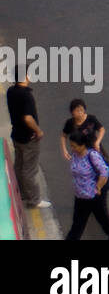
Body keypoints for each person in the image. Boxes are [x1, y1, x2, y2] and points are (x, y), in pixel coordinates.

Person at [6, 73, 50, 209]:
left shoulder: (11, 91)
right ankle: (34, 200)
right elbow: (28, 118)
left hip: (17, 135)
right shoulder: (26, 96)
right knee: (29, 170)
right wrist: (38, 131)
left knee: (19, 165)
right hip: (28, 138)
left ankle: (21, 192)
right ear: (24, 77)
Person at [64, 130, 109, 240]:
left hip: (94, 197)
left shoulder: (92, 155)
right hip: (80, 196)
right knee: (77, 226)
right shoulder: (75, 155)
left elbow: (104, 171)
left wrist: (98, 187)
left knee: (103, 219)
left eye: (74, 146)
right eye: (71, 146)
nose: (72, 149)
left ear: (82, 145)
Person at [60, 99, 109, 191]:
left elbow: (101, 129)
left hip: (94, 149)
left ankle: (100, 187)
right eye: (77, 110)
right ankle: (86, 189)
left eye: (81, 110)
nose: (80, 113)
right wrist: (64, 150)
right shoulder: (70, 123)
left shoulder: (91, 119)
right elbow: (63, 136)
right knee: (84, 173)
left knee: (101, 169)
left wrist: (98, 142)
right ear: (72, 112)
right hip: (80, 152)